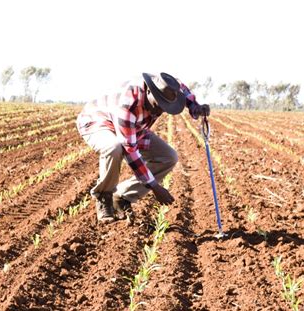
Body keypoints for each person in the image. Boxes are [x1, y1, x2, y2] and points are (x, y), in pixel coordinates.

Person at [76, 72, 210, 223]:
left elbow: (181, 88)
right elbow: (130, 151)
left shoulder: (164, 86)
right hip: (98, 121)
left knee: (169, 157)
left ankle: (121, 196)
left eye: (166, 107)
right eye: (158, 104)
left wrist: (195, 106)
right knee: (114, 147)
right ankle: (104, 197)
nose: (160, 111)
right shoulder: (128, 105)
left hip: (135, 127)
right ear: (148, 91)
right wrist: (154, 186)